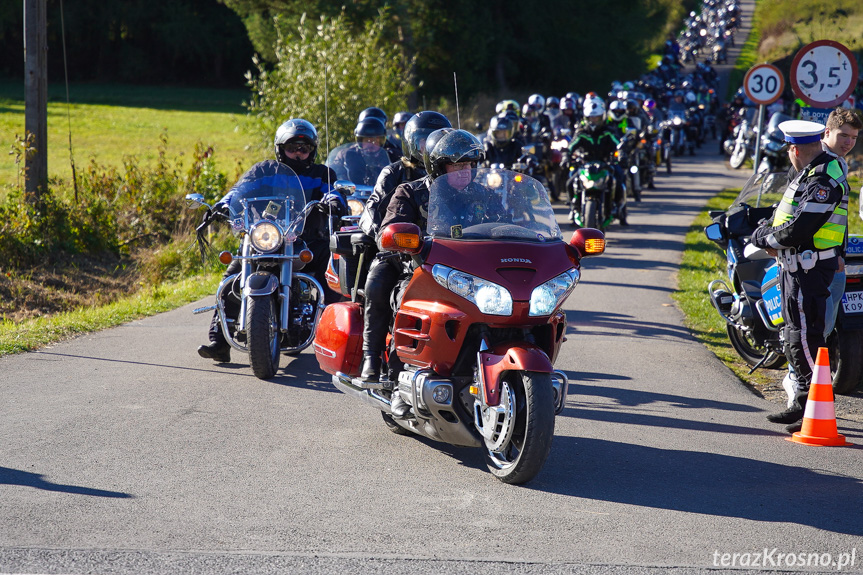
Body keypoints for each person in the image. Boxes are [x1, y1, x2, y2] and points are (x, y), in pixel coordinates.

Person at [197, 118, 344, 363]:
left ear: (312, 150)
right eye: (292, 148)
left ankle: (332, 335)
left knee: (331, 271)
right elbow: (239, 190)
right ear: (279, 149)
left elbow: (333, 190)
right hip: (265, 236)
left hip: (305, 239)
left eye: (304, 148)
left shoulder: (322, 173)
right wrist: (223, 204)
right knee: (233, 274)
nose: (298, 154)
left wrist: (334, 200)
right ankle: (220, 341)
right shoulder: (263, 170)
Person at [361, 129, 484, 419]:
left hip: (473, 277)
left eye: (469, 165)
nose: (464, 171)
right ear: (438, 167)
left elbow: (509, 226)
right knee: (407, 303)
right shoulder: (410, 192)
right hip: (421, 273)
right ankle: (394, 380)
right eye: (457, 165)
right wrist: (412, 241)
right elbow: (387, 233)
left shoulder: (484, 196)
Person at [749, 120, 850, 428]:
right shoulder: (809, 174)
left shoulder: (823, 179)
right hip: (797, 266)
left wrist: (763, 238)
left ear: (793, 149)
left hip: (810, 266)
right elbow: (785, 215)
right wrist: (764, 229)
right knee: (795, 334)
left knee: (807, 336)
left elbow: (798, 227)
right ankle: (802, 401)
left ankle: (814, 407)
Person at [782, 108, 862, 433]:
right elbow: (799, 214)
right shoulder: (815, 163)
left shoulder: (837, 164)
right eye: (843, 135)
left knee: (819, 331)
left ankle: (808, 399)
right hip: (808, 260)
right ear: (826, 133)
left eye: (854, 139)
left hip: (828, 260)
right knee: (809, 333)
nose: (848, 143)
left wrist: (839, 252)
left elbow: (836, 217)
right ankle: (802, 398)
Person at [568, 98, 627, 225]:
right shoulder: (582, 132)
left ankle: (619, 208)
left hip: (606, 164)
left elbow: (618, 143)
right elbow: (571, 146)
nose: (594, 120)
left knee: (619, 178)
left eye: (596, 118)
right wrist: (565, 156)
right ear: (586, 118)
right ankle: (574, 208)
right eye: (591, 118)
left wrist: (621, 154)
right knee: (570, 182)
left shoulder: (608, 131)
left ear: (602, 117)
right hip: (585, 165)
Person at [344, 117, 392, 186]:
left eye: (375, 141)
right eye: (367, 141)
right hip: (355, 195)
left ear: (381, 141)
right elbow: (340, 175)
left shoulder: (387, 156)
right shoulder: (351, 156)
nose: (371, 145)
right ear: (360, 141)